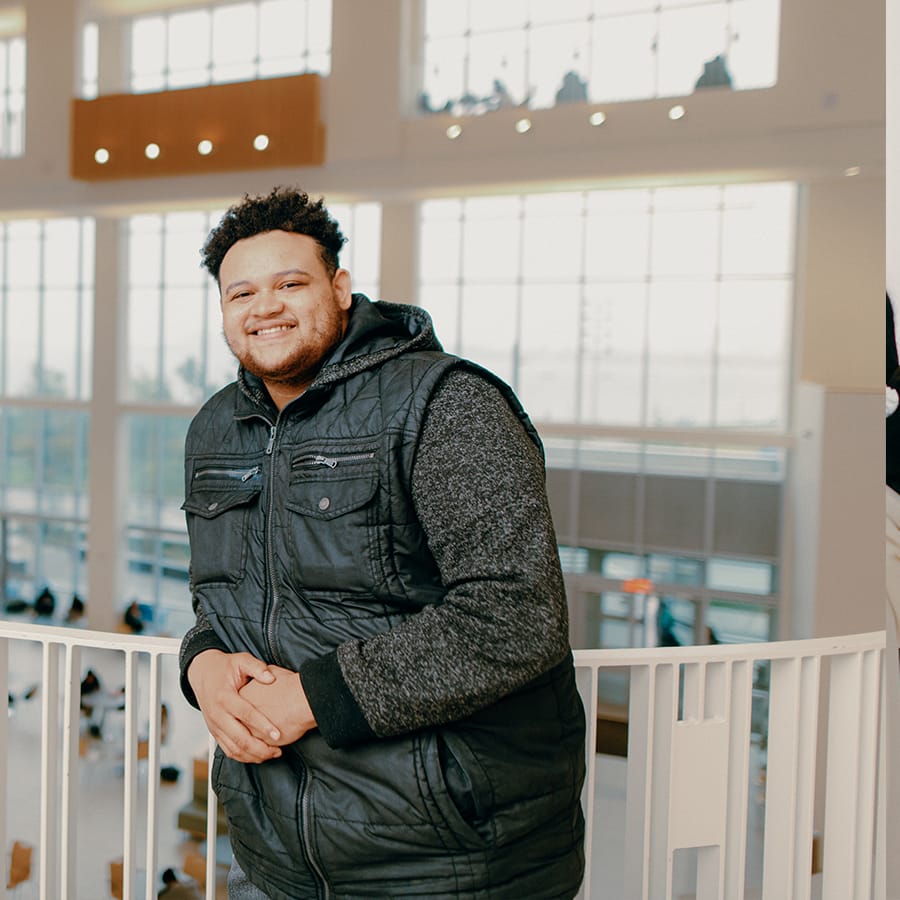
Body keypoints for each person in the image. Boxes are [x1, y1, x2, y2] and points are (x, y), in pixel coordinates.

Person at [178, 187, 586, 899]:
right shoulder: (216, 428)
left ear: (340, 288)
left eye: (290, 283)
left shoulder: (445, 402)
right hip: (271, 856)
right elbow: (224, 600)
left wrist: (318, 696)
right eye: (241, 291)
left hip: (449, 864)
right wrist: (201, 665)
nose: (264, 305)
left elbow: (518, 616)